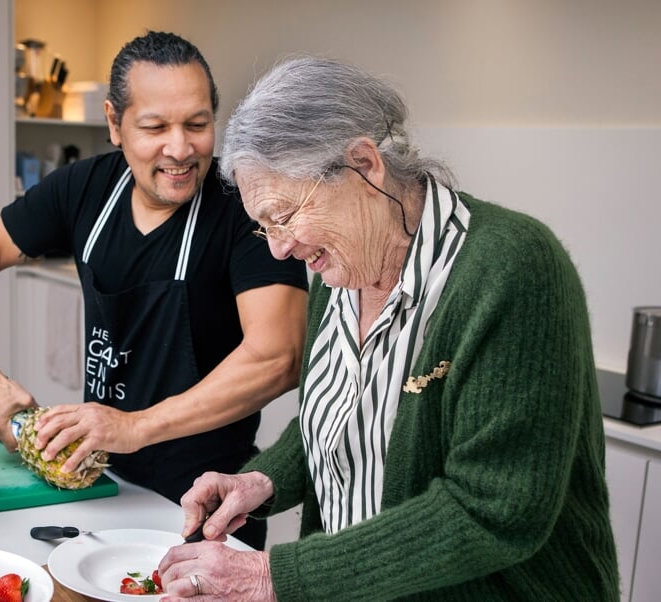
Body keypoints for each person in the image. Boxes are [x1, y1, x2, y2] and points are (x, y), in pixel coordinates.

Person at [156, 56, 619, 600]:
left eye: (283, 215)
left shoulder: (512, 268)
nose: (279, 248)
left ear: (364, 164)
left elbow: (494, 511)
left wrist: (272, 576)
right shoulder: (337, 273)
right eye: (263, 229)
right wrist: (263, 482)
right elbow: (342, 421)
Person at [0, 31, 308, 550]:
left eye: (198, 125)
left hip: (207, 504)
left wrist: (134, 426)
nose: (180, 149)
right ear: (115, 123)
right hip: (100, 484)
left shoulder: (242, 206)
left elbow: (279, 356)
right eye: (155, 127)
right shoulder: (85, 187)